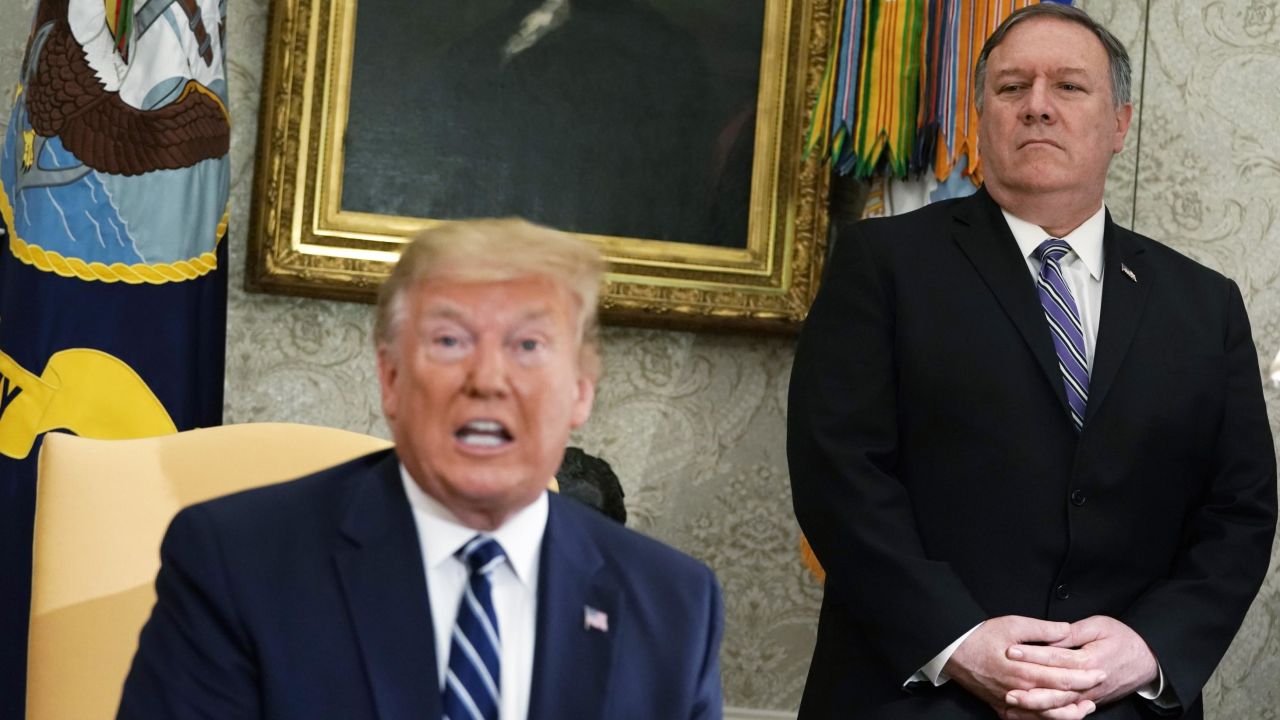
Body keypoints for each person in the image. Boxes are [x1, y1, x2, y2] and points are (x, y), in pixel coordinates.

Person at [787, 5, 1276, 720]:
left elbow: (1239, 512)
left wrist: (1148, 648)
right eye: (1013, 87)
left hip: (1122, 705)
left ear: (1119, 125)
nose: (1038, 106)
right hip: (917, 694)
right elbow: (840, 475)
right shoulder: (883, 264)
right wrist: (960, 641)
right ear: (981, 114)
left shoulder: (1204, 304)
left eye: (1070, 87)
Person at [118, 218, 724, 719]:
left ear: (582, 392)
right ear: (391, 379)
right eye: (450, 341)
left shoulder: (673, 606)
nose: (487, 380)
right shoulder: (238, 566)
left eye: (529, 346)